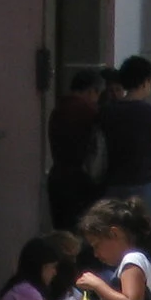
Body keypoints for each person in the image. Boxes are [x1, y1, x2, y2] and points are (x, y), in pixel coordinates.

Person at [97, 57, 151, 211]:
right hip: (142, 183)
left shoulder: (107, 111)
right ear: (144, 82)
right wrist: (149, 171)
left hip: (113, 182)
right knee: (140, 230)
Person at [46, 69, 105, 230]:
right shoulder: (88, 111)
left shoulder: (57, 110)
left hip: (57, 176)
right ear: (92, 90)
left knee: (62, 232)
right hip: (80, 180)